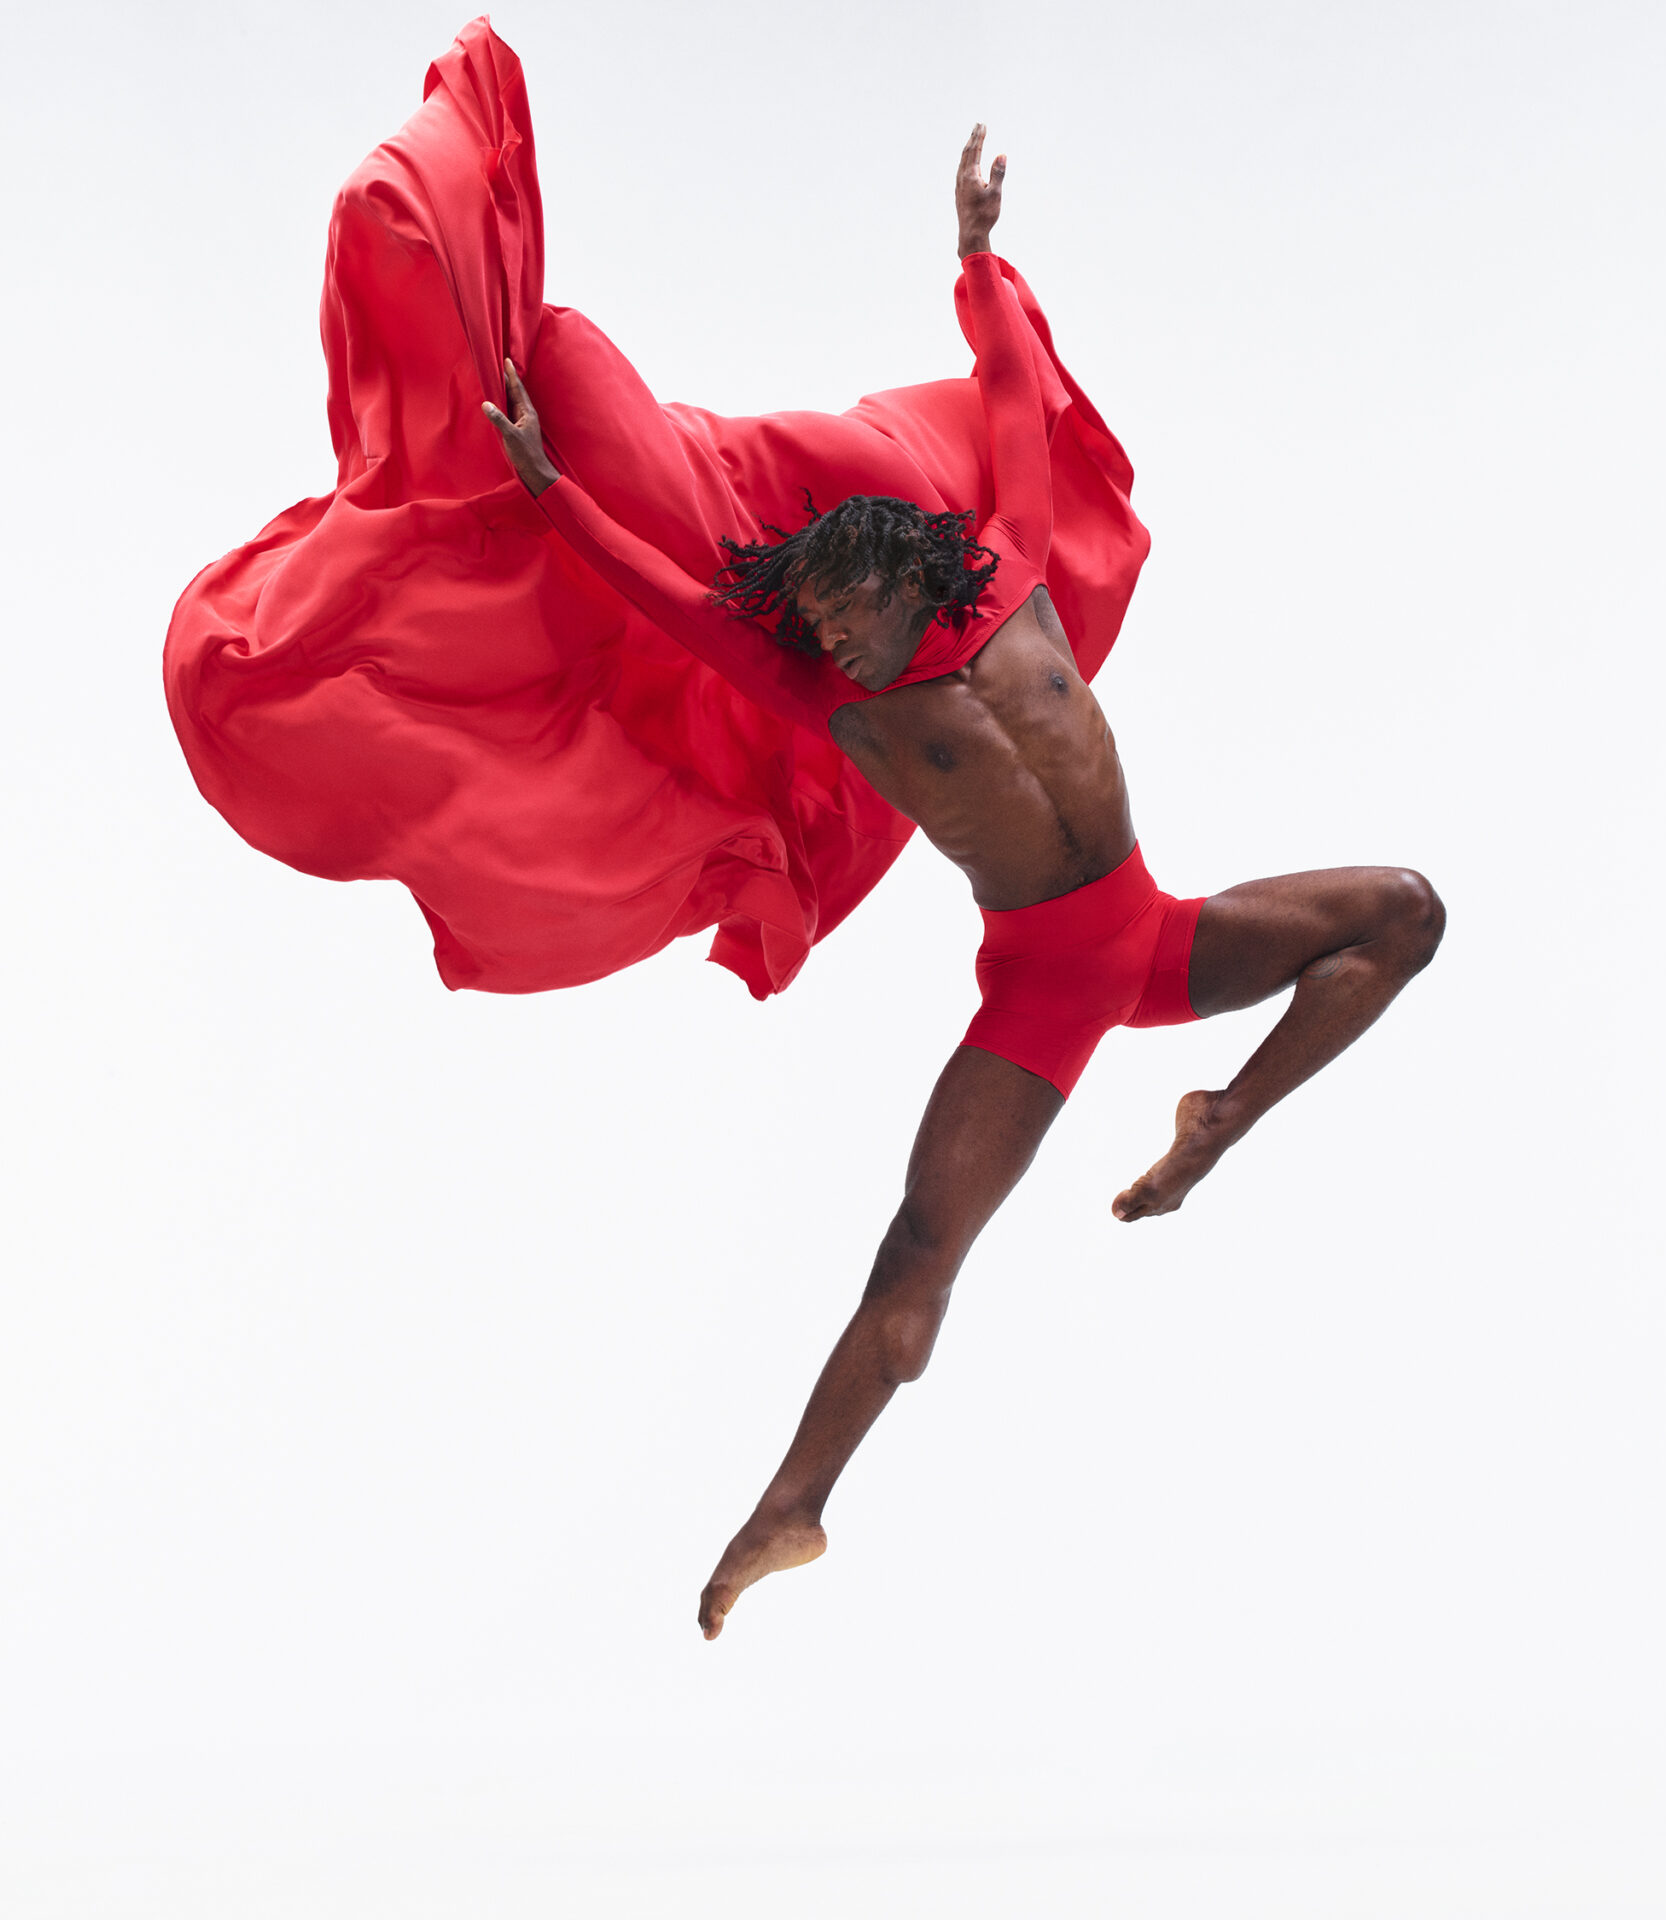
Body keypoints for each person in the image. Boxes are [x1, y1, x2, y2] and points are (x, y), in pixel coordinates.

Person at [485, 129, 1445, 1642]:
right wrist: (552, 494)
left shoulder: (1009, 563)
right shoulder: (835, 699)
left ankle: (1212, 1127)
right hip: (1047, 991)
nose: (819, 649)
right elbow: (670, 602)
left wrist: (975, 256)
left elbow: (1010, 398)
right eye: (804, 631)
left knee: (1403, 910)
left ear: (895, 578)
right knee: (919, 1258)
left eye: (835, 620)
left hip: (1156, 935)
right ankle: (789, 1505)